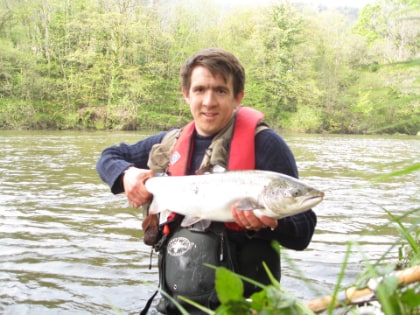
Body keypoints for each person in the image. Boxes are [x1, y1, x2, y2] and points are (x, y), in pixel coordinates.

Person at [96, 48, 317, 314]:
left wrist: (272, 224)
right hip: (174, 305)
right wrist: (126, 175)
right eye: (200, 90)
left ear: (238, 97)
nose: (209, 101)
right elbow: (109, 157)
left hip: (245, 308)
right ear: (186, 94)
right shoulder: (168, 144)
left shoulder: (266, 145)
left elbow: (304, 231)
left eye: (220, 91)